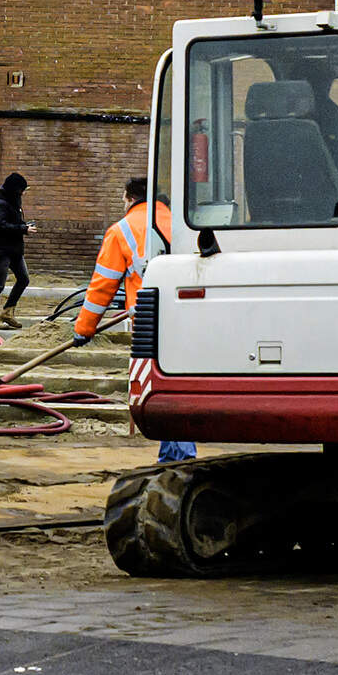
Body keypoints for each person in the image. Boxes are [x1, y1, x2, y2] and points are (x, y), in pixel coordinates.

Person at [72, 177, 193, 463]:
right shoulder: (182, 223)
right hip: (187, 316)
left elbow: (102, 286)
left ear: (130, 198)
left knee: (161, 387)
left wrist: (84, 328)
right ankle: (171, 453)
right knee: (178, 381)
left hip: (149, 324)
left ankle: (182, 455)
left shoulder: (121, 230)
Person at [0, 173, 31, 319]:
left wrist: (24, 226)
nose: (23, 193)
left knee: (23, 279)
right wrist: (23, 229)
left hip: (14, 248)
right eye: (22, 190)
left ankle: (8, 311)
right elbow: (1, 226)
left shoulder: (13, 201)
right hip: (1, 249)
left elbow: (13, 221)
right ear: (14, 189)